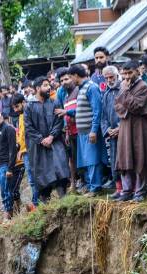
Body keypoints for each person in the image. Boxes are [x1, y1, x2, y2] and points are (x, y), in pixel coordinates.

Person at [114, 60, 147, 202]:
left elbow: (136, 107)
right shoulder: (123, 87)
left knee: (139, 157)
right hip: (126, 126)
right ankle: (126, 190)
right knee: (125, 157)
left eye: (129, 73)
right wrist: (125, 105)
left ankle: (139, 191)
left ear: (137, 71)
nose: (126, 77)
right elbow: (117, 106)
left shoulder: (143, 87)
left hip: (140, 128)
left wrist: (125, 94)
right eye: (124, 74)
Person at [24, 76, 69, 203]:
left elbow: (59, 122)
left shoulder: (55, 103)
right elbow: (28, 127)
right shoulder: (29, 106)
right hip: (38, 147)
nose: (49, 87)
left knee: (60, 170)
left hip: (55, 143)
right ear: (37, 88)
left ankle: (64, 202)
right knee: (42, 176)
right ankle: (45, 207)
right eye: (45, 85)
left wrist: (51, 137)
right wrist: (41, 140)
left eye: (48, 85)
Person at [69, 64, 105, 196]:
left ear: (76, 76)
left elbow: (97, 111)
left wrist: (94, 130)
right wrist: (67, 112)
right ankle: (91, 186)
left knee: (92, 160)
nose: (71, 80)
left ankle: (95, 187)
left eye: (71, 77)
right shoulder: (81, 89)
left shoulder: (91, 87)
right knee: (86, 160)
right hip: (82, 132)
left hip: (90, 131)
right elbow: (82, 109)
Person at [55, 68, 79, 192]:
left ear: (73, 77)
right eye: (61, 80)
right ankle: (74, 183)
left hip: (80, 129)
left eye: (67, 79)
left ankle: (84, 182)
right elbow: (61, 110)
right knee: (71, 158)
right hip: (68, 130)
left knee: (81, 157)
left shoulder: (78, 90)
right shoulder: (62, 93)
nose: (64, 82)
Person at [100, 65, 123, 198]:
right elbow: (103, 116)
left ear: (117, 76)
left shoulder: (123, 90)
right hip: (112, 135)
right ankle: (119, 188)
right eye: (106, 78)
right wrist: (108, 129)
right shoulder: (107, 93)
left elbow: (128, 112)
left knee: (125, 160)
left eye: (111, 77)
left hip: (124, 132)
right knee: (114, 161)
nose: (109, 80)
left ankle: (128, 188)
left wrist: (120, 127)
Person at [11, 93, 35, 211]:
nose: (15, 110)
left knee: (33, 177)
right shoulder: (20, 116)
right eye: (14, 108)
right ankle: (36, 201)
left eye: (17, 106)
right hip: (24, 151)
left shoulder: (30, 112)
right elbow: (21, 135)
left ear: (23, 102)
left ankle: (37, 201)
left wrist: (24, 149)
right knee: (31, 178)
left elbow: (31, 133)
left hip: (32, 150)